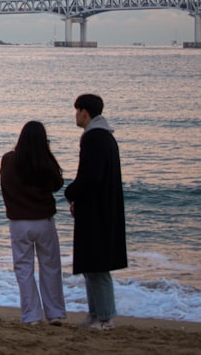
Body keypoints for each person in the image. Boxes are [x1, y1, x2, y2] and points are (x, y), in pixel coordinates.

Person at [64, 93, 127, 330]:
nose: (75, 115)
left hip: (96, 212)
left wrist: (71, 192)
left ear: (84, 112)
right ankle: (95, 314)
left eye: (77, 110)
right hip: (100, 209)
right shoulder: (105, 137)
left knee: (97, 266)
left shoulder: (94, 138)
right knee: (91, 265)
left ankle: (105, 317)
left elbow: (91, 176)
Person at [0, 120, 67, 325]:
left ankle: (31, 315)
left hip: (20, 222)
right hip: (43, 220)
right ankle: (55, 313)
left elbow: (6, 185)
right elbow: (58, 183)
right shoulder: (44, 161)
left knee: (24, 269)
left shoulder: (9, 160)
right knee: (51, 267)